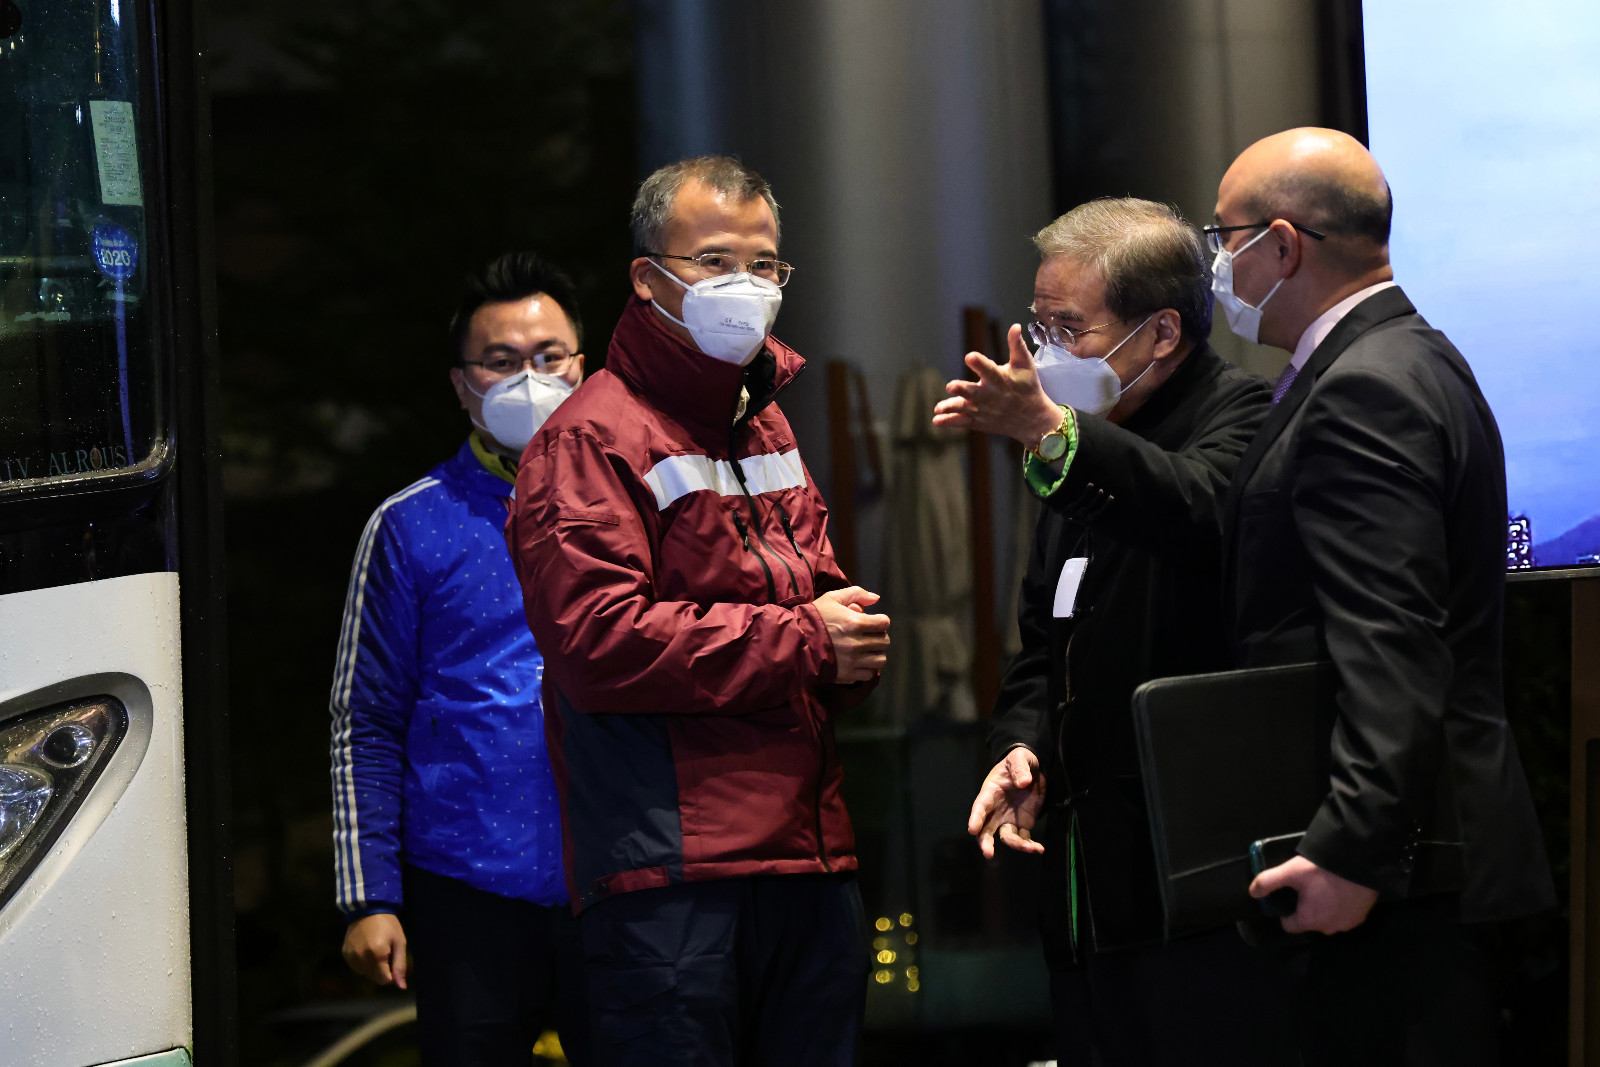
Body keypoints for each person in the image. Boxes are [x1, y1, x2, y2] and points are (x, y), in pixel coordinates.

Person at [505, 156, 889, 1067]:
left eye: (764, 265)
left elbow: (823, 600)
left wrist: (848, 642)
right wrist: (811, 640)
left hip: (810, 855)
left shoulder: (767, 424)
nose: (744, 286)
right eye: (714, 261)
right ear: (648, 278)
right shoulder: (587, 438)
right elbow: (599, 641)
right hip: (671, 875)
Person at [1210, 127, 1554, 1064]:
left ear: (1283, 245)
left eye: (1222, 237)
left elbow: (1393, 641)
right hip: (1416, 857)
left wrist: (1351, 851)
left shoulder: (1366, 386)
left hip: (1395, 877)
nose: (1217, 265)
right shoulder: (1410, 356)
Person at [936, 198, 1288, 1065]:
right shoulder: (1084, 445)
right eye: (1040, 324)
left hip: (1204, 892)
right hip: (1087, 890)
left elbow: (1197, 509)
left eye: (1069, 328)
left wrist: (1051, 432)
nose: (1047, 351)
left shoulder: (1245, 414)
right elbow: (1043, 640)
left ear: (1161, 332)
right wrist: (1021, 746)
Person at [329, 252, 592, 1066]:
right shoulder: (410, 523)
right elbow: (364, 720)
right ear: (460, 383)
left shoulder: (638, 505)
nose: (529, 378)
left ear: (584, 369)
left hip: (618, 879)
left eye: (548, 356)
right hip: (465, 891)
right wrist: (369, 897)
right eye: (500, 361)